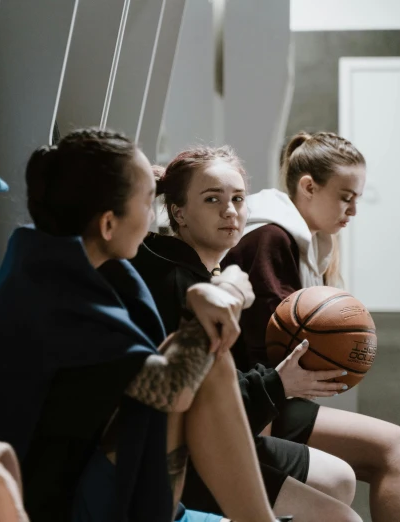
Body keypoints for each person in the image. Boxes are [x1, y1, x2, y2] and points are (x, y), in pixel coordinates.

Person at [0, 128, 278, 522]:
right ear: (107, 225)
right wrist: (226, 291)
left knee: (203, 354)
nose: (155, 219)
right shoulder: (58, 292)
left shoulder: (48, 256)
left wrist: (200, 296)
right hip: (57, 506)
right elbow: (170, 389)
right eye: (148, 203)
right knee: (210, 360)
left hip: (84, 473)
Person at [223, 131, 400, 522]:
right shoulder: (270, 238)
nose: (353, 211)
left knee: (395, 449)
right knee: (392, 445)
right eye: (346, 197)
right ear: (309, 187)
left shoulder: (302, 240)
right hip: (252, 402)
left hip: (266, 394)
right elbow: (276, 348)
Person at [132, 146, 362, 522]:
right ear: (179, 212)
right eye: (212, 199)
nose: (230, 211)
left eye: (238, 198)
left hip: (212, 430)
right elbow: (201, 401)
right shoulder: (181, 285)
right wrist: (277, 384)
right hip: (181, 454)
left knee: (338, 479)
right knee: (342, 513)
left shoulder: (207, 274)